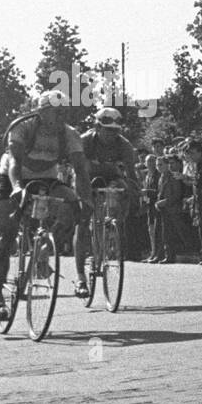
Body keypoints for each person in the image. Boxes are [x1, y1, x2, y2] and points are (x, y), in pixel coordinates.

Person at [0, 91, 91, 320]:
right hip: (14, 176)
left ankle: (42, 252)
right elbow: (14, 161)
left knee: (73, 208)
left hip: (47, 176)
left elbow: (81, 170)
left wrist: (86, 199)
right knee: (5, 234)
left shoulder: (69, 133)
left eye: (63, 112)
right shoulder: (23, 127)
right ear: (42, 112)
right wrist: (16, 188)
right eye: (55, 112)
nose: (60, 117)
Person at [78, 107, 140, 295]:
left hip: (111, 176)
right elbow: (78, 171)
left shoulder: (124, 145)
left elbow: (130, 174)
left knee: (123, 189)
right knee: (82, 220)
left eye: (115, 131)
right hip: (85, 176)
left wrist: (134, 195)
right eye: (107, 130)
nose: (111, 135)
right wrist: (84, 196)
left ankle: (112, 226)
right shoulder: (84, 141)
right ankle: (80, 277)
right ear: (97, 126)